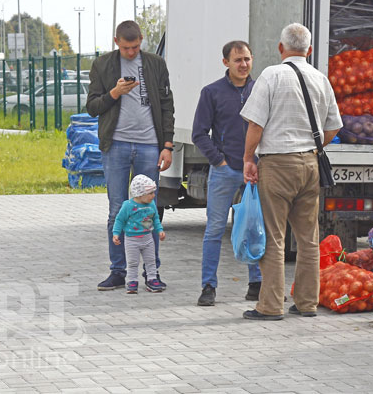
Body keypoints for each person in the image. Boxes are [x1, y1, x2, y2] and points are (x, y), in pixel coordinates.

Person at [240, 23, 342, 320]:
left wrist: (248, 158)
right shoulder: (320, 79)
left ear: (280, 47)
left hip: (277, 164)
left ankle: (270, 305)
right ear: (309, 50)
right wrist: (311, 147)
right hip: (310, 164)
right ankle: (307, 302)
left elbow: (255, 124)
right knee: (308, 238)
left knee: (274, 236)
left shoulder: (271, 75)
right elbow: (333, 126)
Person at [86, 20, 175, 292]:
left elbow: (167, 104)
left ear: (141, 40)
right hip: (116, 145)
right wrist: (115, 93)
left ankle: (152, 272)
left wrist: (167, 145)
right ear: (116, 42)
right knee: (117, 209)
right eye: (126, 48)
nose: (131, 52)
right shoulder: (102, 65)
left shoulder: (155, 63)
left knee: (148, 209)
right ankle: (118, 271)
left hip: (150, 145)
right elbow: (92, 107)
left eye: (135, 47)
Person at [191, 40, 263, 306]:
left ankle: (256, 284)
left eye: (247, 59)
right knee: (214, 230)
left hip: (254, 172)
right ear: (226, 63)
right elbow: (199, 133)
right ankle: (208, 286)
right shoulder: (212, 92)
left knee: (254, 228)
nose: (243, 64)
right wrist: (218, 161)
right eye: (237, 60)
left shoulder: (261, 90)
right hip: (225, 171)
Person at [112, 175, 166, 293]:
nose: (153, 196)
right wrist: (116, 233)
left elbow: (155, 218)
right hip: (132, 240)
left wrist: (160, 230)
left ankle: (152, 279)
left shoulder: (151, 204)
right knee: (132, 262)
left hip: (148, 238)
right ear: (140, 194)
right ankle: (132, 281)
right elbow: (120, 220)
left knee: (151, 260)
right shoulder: (128, 206)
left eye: (153, 192)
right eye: (150, 193)